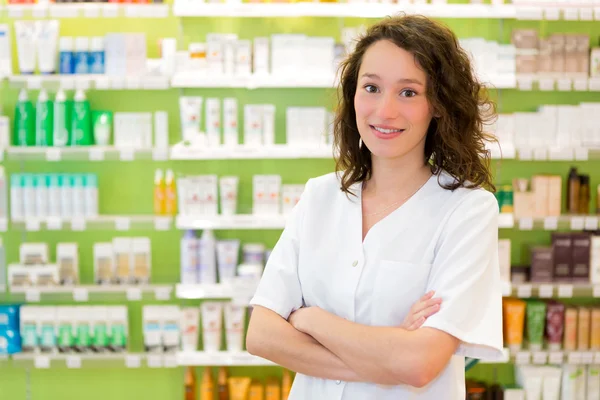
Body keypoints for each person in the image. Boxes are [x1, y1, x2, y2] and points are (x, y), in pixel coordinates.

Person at [246, 14, 503, 399]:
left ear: (438, 104)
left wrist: (310, 319)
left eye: (409, 92)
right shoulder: (319, 197)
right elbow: (261, 334)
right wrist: (387, 358)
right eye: (371, 87)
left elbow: (419, 364)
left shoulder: (467, 210)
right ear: (353, 96)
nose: (385, 111)